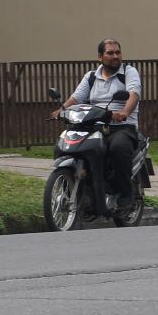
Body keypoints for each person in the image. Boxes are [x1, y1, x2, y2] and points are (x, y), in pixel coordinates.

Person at [51, 38, 142, 208]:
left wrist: (124, 112)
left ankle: (124, 193)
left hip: (121, 127)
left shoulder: (129, 72)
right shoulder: (91, 76)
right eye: (110, 53)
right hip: (93, 125)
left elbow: (133, 94)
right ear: (100, 57)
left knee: (118, 148)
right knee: (63, 146)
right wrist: (61, 110)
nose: (115, 56)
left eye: (117, 52)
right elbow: (76, 97)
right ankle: (69, 186)